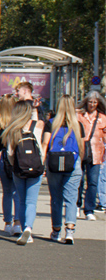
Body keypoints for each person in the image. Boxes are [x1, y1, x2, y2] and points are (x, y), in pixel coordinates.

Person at [0, 99, 45, 245]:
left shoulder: (12, 129)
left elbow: (10, 153)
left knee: (21, 200)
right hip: (35, 168)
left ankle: (21, 225)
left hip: (19, 169)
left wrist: (14, 166)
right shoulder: (37, 125)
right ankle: (28, 229)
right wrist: (41, 164)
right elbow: (40, 148)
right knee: (32, 201)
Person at [43, 95, 83, 244]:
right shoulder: (78, 125)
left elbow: (46, 143)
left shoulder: (51, 123)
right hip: (73, 162)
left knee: (56, 198)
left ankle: (56, 230)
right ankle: (70, 230)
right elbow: (82, 147)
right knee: (71, 197)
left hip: (54, 162)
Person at [77, 90, 104, 220]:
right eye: (90, 102)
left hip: (96, 153)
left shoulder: (103, 118)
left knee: (93, 182)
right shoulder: (79, 115)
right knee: (79, 180)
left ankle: (89, 210)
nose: (92, 104)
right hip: (81, 151)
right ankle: (77, 205)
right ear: (85, 102)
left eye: (94, 102)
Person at [0, 95, 17, 234]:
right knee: (18, 192)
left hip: (4, 159)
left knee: (7, 192)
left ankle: (7, 222)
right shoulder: (18, 123)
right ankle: (18, 222)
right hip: (17, 158)